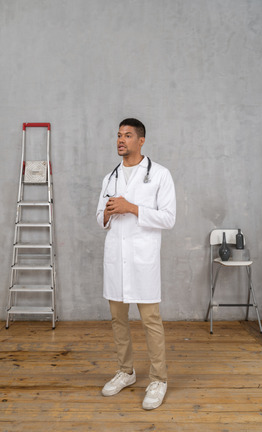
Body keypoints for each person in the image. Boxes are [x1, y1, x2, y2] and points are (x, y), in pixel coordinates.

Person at [96, 118, 176, 410]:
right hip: (116, 259)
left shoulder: (160, 175)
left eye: (127, 135)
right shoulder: (110, 178)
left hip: (143, 260)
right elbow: (99, 218)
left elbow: (168, 218)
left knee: (150, 321)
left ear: (141, 140)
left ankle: (159, 379)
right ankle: (126, 372)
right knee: (118, 319)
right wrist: (107, 213)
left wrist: (131, 207)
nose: (121, 140)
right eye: (119, 135)